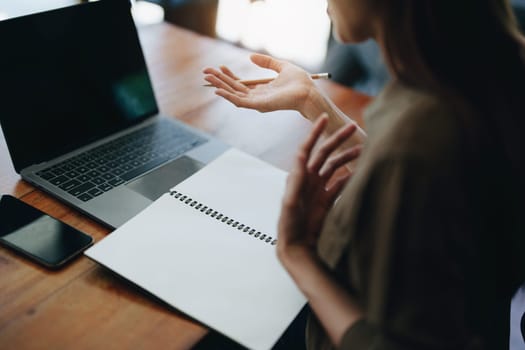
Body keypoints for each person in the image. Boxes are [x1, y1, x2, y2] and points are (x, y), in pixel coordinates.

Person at [203, 0, 525, 349]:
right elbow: (418, 182)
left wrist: (297, 257)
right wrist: (311, 100)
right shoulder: (483, 74)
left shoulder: (419, 141)